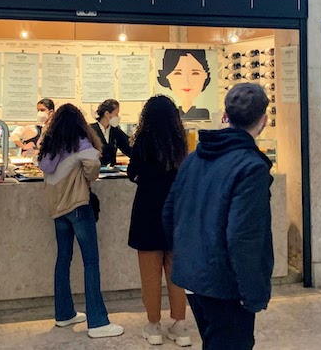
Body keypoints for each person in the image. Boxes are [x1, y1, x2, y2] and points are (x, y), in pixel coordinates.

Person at [163, 83, 273, 350]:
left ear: (226, 115)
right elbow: (244, 237)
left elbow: (169, 214)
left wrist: (189, 256)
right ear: (264, 120)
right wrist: (253, 292)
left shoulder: (195, 157)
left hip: (194, 277)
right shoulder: (251, 167)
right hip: (226, 284)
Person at [38, 103, 124, 339]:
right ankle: (97, 322)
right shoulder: (80, 143)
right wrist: (88, 177)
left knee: (63, 260)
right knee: (90, 263)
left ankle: (64, 314)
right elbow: (94, 164)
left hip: (58, 211)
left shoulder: (50, 148)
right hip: (77, 207)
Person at [127, 96, 191, 347]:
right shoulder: (180, 140)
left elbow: (133, 172)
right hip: (175, 211)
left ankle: (153, 326)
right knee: (176, 272)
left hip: (147, 211)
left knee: (150, 274)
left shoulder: (143, 139)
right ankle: (180, 325)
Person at [157, 49, 211, 120]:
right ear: (167, 76)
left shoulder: (205, 113)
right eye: (178, 73)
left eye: (195, 73)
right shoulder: (166, 114)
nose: (187, 81)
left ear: (205, 75)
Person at [90, 99, 132, 166]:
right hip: (95, 171)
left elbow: (128, 148)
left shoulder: (115, 131)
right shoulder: (91, 130)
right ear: (107, 114)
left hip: (112, 172)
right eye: (116, 114)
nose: (118, 117)